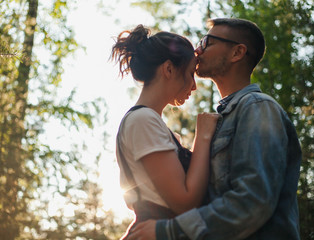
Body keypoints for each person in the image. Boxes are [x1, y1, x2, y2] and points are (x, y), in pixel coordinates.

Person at [126, 18, 302, 240]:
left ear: (237, 53)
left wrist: (169, 230)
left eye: (207, 42)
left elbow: (253, 200)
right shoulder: (222, 119)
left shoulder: (257, 108)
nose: (197, 50)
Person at [111, 25, 219, 239]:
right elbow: (185, 202)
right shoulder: (143, 121)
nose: (194, 86)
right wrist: (203, 137)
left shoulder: (149, 122)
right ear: (168, 69)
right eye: (190, 74)